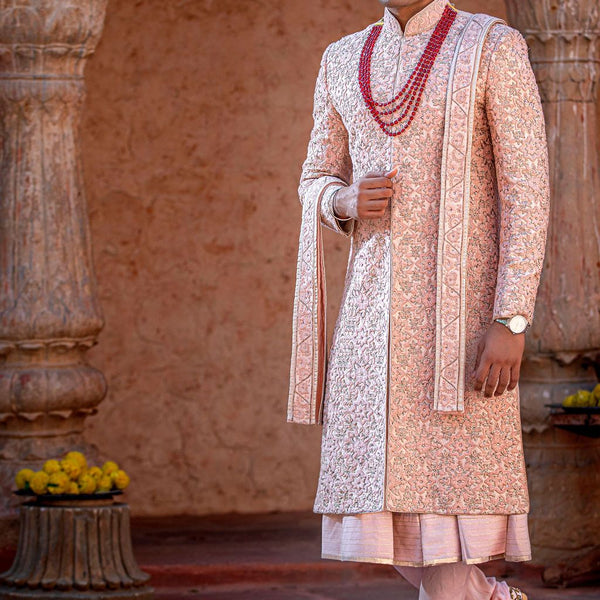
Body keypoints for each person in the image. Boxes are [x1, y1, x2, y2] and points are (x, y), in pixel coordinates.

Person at [287, 0, 550, 598]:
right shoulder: (342, 58)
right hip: (369, 324)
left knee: (443, 513)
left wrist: (511, 316)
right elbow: (313, 178)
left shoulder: (491, 46)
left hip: (456, 327)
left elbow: (527, 189)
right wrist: (344, 200)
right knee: (384, 523)